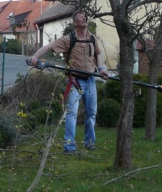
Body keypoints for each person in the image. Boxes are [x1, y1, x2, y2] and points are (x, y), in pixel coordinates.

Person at [30, 11, 109, 154]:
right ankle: (69, 146)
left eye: (85, 16)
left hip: (90, 80)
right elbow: (49, 46)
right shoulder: (69, 39)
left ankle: (89, 142)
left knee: (91, 113)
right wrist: (35, 56)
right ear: (75, 23)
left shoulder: (92, 38)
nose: (84, 18)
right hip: (75, 81)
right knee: (72, 113)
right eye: (81, 17)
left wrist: (102, 69)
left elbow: (98, 54)